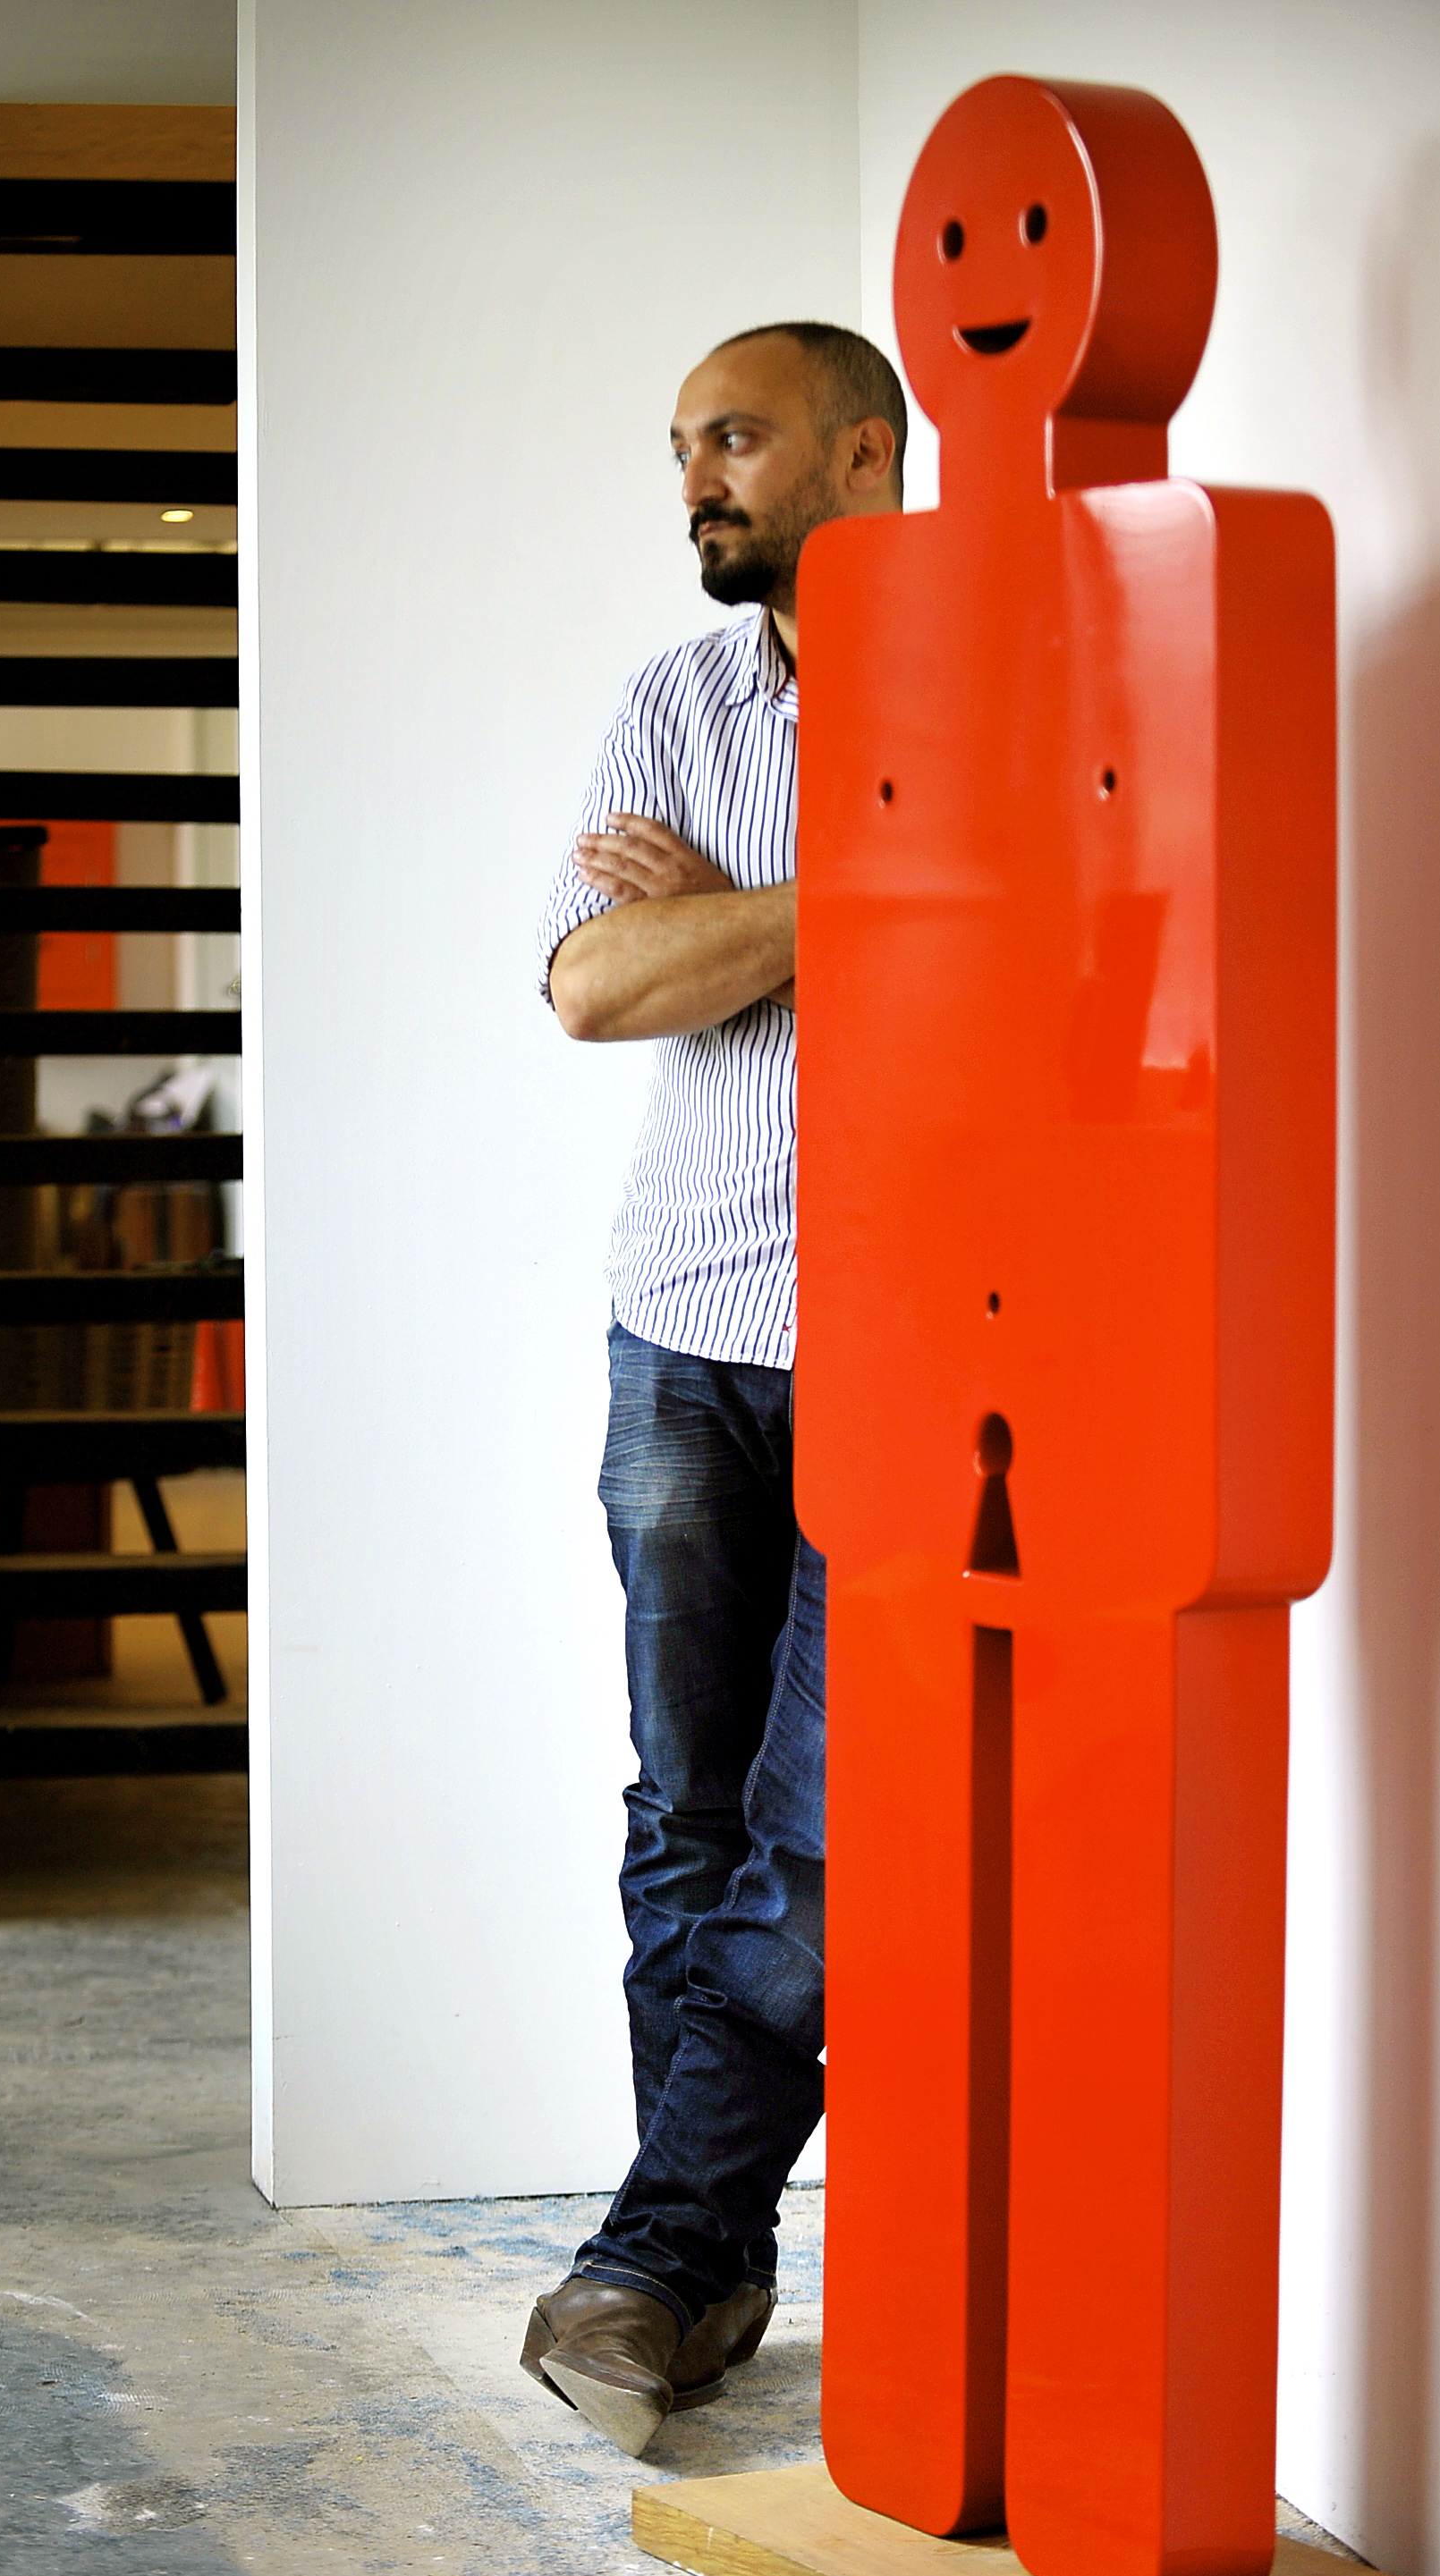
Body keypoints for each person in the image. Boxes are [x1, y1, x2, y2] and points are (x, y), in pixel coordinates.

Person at [523, 322, 907, 2454]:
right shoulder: (673, 701)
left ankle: (652, 2253)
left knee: (816, 1840)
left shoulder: (990, 680)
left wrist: (742, 922)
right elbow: (594, 983)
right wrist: (861, 900)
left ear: (863, 451)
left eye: (736, 437)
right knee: (683, 1815)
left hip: (908, 1343)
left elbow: (1028, 933)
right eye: (682, 443)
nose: (697, 476)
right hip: (680, 1327)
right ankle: (706, 2265)